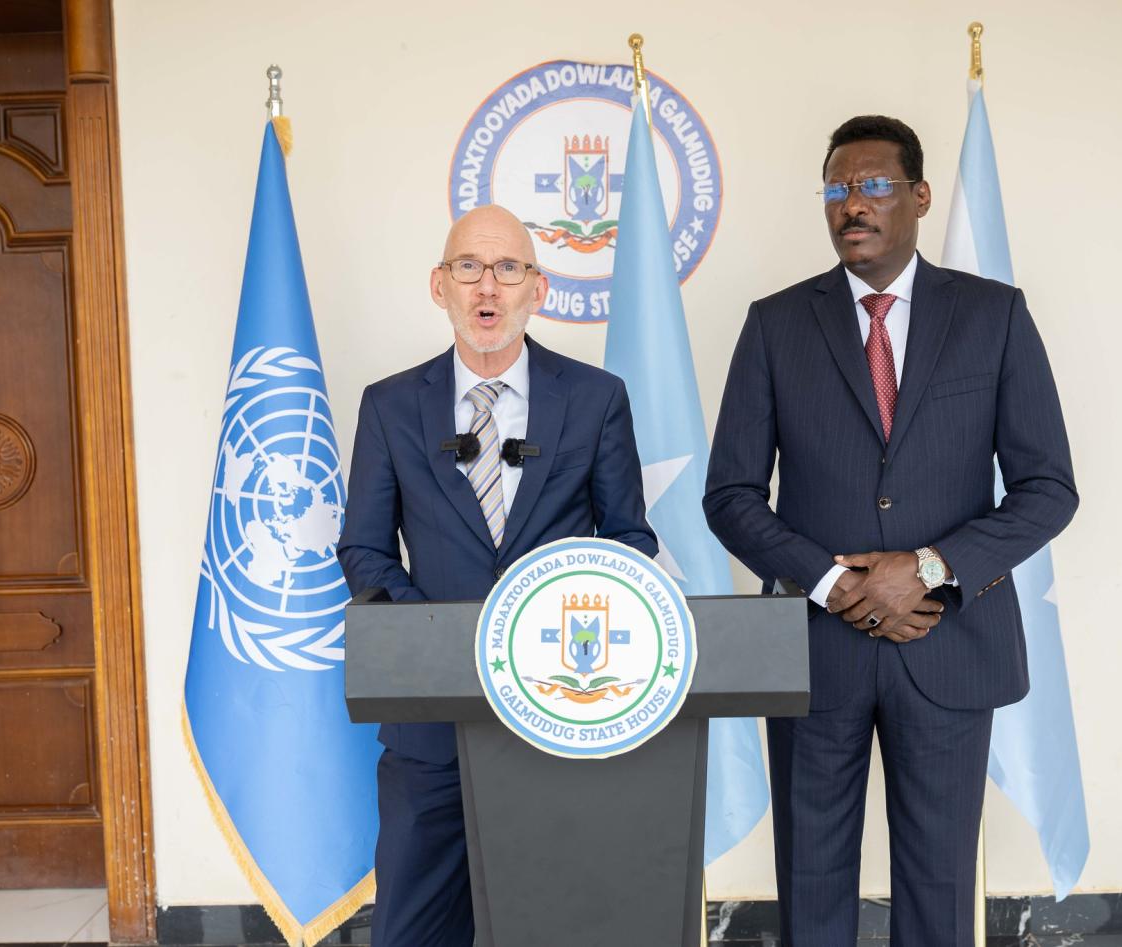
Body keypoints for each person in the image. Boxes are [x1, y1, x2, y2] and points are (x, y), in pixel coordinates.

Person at [703, 115, 1078, 946]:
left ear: (919, 197)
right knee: (811, 894)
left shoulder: (993, 317)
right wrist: (838, 584)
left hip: (948, 644)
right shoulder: (774, 325)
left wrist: (931, 567)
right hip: (812, 651)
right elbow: (730, 494)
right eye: (837, 189)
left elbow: (1048, 487)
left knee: (940, 898)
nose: (852, 206)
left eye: (872, 186)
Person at [337, 204, 657, 947]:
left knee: (564, 921)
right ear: (438, 286)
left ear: (538, 289)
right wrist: (445, 636)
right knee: (415, 928)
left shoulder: (595, 398)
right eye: (468, 268)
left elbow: (629, 541)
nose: (489, 286)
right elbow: (365, 550)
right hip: (432, 719)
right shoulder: (389, 406)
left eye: (508, 268)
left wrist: (546, 629)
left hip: (564, 713)